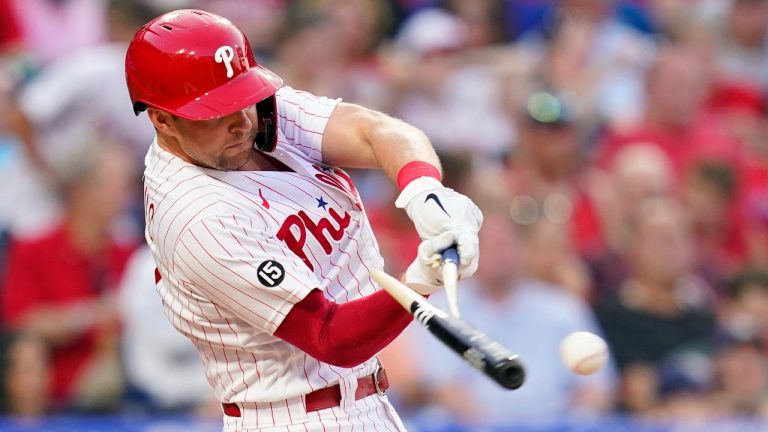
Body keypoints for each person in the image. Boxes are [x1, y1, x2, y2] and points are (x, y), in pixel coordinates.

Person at [125, 9, 482, 432]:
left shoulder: (250, 116)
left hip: (364, 403)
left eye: (242, 99)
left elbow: (372, 131)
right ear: (162, 119)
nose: (241, 122)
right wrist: (422, 277)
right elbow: (329, 336)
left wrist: (424, 189)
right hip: (292, 417)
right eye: (215, 112)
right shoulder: (195, 218)